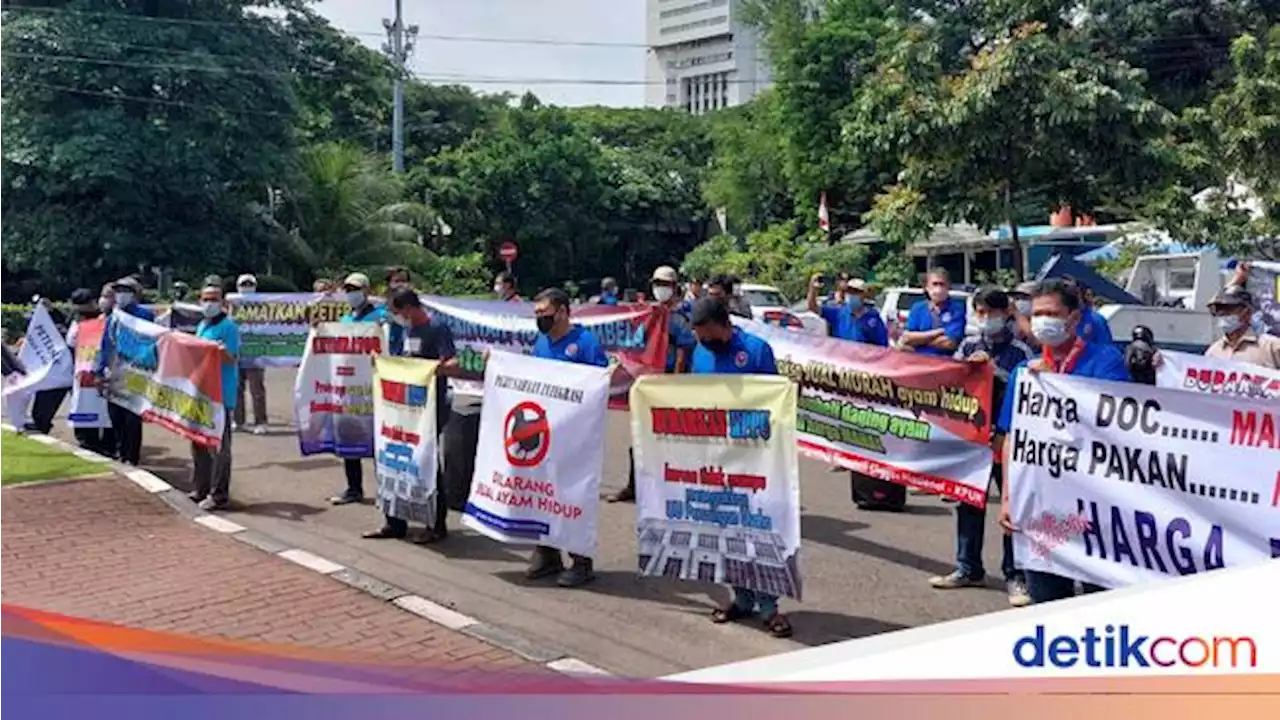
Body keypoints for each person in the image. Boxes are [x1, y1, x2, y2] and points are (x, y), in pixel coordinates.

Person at [997, 279, 1130, 604]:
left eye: (1052, 313)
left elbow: (1119, 427)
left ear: (1074, 318)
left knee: (1100, 604)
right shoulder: (1024, 373)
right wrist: (1007, 496)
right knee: (1047, 601)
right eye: (1037, 313)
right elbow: (1012, 436)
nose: (1043, 320)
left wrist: (1059, 383)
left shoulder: (1106, 361)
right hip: (1041, 505)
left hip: (1094, 504)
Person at [688, 298, 793, 638]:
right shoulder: (699, 353)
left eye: (705, 333)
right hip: (714, 459)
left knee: (757, 530)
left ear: (722, 325)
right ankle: (741, 598)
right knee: (724, 531)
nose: (701, 339)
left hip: (752, 456)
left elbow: (774, 401)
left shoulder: (756, 350)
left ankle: (769, 606)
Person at [929, 288, 1034, 606]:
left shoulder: (1020, 351)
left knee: (1011, 508)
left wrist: (993, 374)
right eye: (981, 312)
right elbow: (953, 387)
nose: (986, 318)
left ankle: (1015, 575)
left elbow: (1026, 393)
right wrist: (968, 370)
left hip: (1007, 440)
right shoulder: (969, 345)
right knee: (967, 503)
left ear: (1006, 314)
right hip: (973, 440)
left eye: (992, 312)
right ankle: (967, 566)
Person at [363, 287, 481, 544]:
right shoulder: (407, 330)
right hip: (403, 407)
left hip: (431, 406)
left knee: (426, 463)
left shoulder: (437, 328)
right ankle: (394, 522)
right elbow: (403, 359)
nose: (396, 317)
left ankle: (436, 524)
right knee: (395, 459)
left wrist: (426, 370)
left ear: (409, 308)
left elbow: (451, 363)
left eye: (397, 311)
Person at [527, 287, 609, 587]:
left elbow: (599, 385)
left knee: (573, 496)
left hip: (577, 436)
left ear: (561, 311)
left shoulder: (585, 343)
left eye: (544, 313)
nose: (540, 319)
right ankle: (547, 552)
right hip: (546, 432)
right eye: (536, 314)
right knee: (543, 492)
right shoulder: (541, 343)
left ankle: (581, 561)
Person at [606, 265, 696, 504]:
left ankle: (671, 490)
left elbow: (684, 350)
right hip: (646, 380)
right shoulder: (649, 313)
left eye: (666, 285)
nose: (661, 289)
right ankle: (634, 487)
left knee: (670, 437)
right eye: (657, 283)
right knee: (639, 434)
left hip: (669, 380)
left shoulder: (680, 316)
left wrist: (674, 383)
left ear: (675, 287)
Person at [329, 272, 390, 506]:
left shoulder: (380, 317)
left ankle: (385, 490)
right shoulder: (345, 320)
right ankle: (354, 488)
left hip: (372, 386)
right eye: (347, 289)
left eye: (355, 289)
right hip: (349, 388)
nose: (350, 293)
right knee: (350, 438)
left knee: (378, 441)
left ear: (366, 290)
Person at [189, 283, 241, 511]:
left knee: (220, 446)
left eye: (213, 298)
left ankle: (219, 494)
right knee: (198, 441)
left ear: (221, 302)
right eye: (205, 298)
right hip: (201, 391)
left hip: (220, 393)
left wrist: (220, 352)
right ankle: (201, 487)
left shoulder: (229, 327)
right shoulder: (202, 325)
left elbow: (232, 358)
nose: (209, 303)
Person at [95, 277, 155, 466]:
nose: (121, 295)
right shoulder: (113, 316)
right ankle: (121, 453)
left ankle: (132, 456)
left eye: (125, 290)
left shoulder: (144, 315)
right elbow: (106, 344)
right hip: (114, 371)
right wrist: (99, 370)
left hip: (136, 371)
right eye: (118, 291)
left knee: (132, 417)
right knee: (115, 414)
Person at [1202, 285, 1280, 369]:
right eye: (1218, 310)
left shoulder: (1271, 347)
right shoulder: (1213, 352)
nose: (1222, 314)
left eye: (1228, 309)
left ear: (1247, 312)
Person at [25, 299, 73, 434]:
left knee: (51, 401)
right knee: (41, 406)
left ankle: (43, 424)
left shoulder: (59, 328)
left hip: (61, 372)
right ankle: (41, 424)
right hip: (47, 371)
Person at [808, 275, 888, 346]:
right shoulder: (839, 312)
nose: (851, 294)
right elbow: (813, 308)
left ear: (863, 295)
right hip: (841, 359)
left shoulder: (872, 319)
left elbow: (882, 347)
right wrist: (813, 289)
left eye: (855, 292)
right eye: (849, 291)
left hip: (861, 361)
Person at [901, 268, 966, 356]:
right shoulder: (918, 308)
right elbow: (907, 338)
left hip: (944, 362)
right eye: (935, 284)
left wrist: (919, 340)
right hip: (919, 361)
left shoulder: (956, 309)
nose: (938, 288)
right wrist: (939, 332)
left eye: (942, 284)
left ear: (948, 286)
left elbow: (949, 343)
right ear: (927, 287)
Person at [233, 274, 268, 435]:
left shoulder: (263, 306)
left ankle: (260, 421)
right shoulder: (231, 304)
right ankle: (238, 420)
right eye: (244, 284)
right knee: (236, 389)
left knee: (257, 390)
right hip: (236, 353)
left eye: (250, 284)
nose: (247, 287)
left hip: (255, 354)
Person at [1008, 280, 1040, 350]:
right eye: (1017, 298)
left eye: (1024, 298)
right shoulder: (1011, 322)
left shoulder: (1041, 322)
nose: (1019, 301)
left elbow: (1036, 341)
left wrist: (1016, 312)